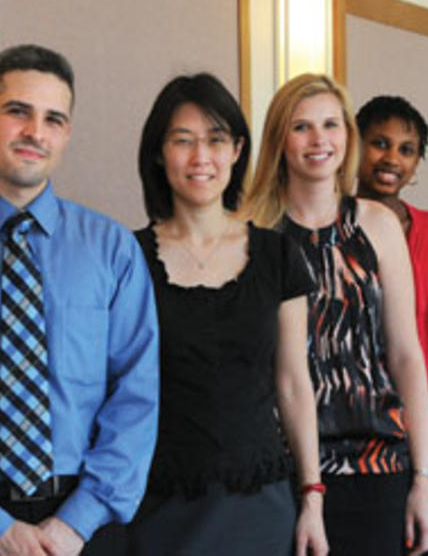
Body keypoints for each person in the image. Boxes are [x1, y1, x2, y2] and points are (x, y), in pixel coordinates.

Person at [0, 44, 160, 556]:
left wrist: (76, 523)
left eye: (53, 119)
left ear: (67, 132)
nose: (35, 133)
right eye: (18, 111)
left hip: (86, 522)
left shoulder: (112, 250)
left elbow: (136, 394)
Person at [126, 73, 327, 556]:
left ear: (237, 150)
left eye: (216, 140)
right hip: (159, 503)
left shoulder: (278, 254)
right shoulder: (126, 258)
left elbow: (294, 384)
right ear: (159, 152)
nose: (201, 158)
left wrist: (313, 499)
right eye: (183, 141)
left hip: (259, 501)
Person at [243, 73, 428, 555]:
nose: (318, 140)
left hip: (378, 465)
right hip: (281, 469)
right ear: (279, 140)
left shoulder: (378, 224)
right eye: (302, 127)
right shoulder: (253, 233)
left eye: (331, 125)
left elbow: (406, 354)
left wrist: (423, 476)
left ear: (347, 137)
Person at [354, 96, 428, 555]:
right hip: (353, 442)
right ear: (353, 145)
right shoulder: (327, 226)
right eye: (379, 143)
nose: (392, 158)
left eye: (407, 149)